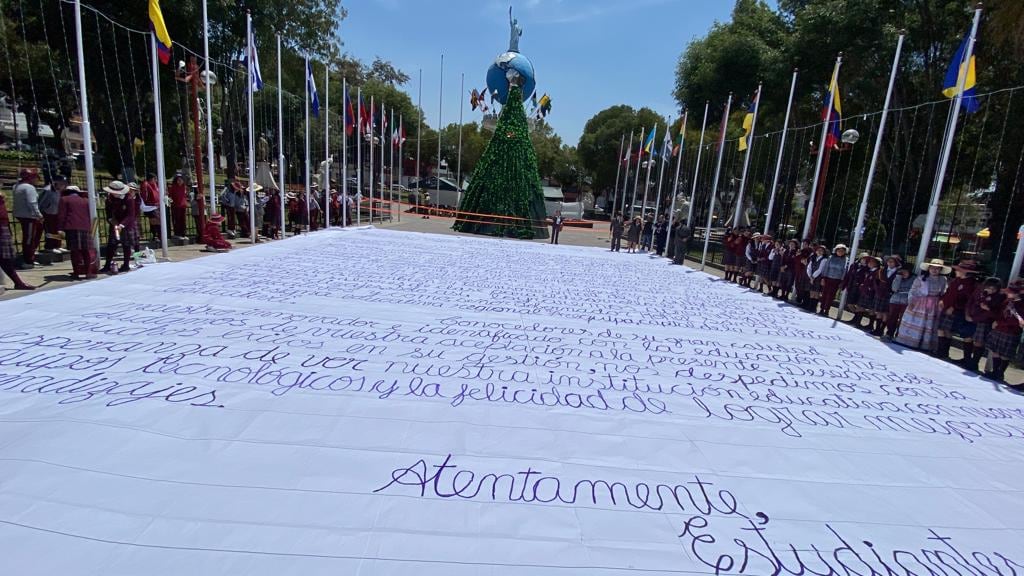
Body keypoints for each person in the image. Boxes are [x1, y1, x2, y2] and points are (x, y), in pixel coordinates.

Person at [895, 259, 950, 351]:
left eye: (937, 269)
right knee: (917, 322)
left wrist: (942, 302)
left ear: (940, 270)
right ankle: (911, 341)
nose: (934, 270)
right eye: (932, 268)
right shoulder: (921, 278)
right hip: (920, 303)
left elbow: (944, 292)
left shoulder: (943, 279)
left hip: (934, 304)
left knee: (930, 324)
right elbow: (913, 290)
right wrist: (911, 301)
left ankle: (926, 345)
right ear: (929, 268)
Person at [934, 260, 981, 361]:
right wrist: (942, 300)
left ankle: (963, 358)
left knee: (949, 331)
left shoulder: (971, 284)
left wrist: (954, 307)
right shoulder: (956, 281)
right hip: (946, 308)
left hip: (957, 311)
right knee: (941, 329)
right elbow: (948, 293)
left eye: (959, 270)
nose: (956, 271)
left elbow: (968, 300)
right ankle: (941, 351)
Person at [962, 277, 1005, 373]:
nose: (990, 290)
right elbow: (970, 302)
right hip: (971, 318)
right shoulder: (978, 291)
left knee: (979, 342)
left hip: (984, 321)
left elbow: (995, 313)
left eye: (993, 289)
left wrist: (987, 307)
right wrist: (967, 314)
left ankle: (974, 363)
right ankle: (966, 359)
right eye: (989, 288)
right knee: (967, 337)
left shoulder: (999, 297)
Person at [985, 280, 1023, 385]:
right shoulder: (1007, 301)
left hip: (1010, 331)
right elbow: (1000, 312)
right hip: (999, 329)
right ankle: (994, 371)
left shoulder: (1021, 305)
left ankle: (1000, 373)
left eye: (1010, 292)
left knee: (1005, 354)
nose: (1008, 293)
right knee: (995, 350)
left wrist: (1002, 322)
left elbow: (1016, 321)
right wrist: (997, 320)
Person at [56, 184, 96, 280]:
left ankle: (76, 272)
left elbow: (62, 215)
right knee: (86, 250)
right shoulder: (86, 201)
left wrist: (60, 228)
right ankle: (88, 272)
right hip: (85, 227)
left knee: (75, 251)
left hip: (71, 227)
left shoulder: (64, 199)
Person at [100, 180, 138, 274]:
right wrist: (111, 221)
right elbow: (108, 213)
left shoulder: (129, 199)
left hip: (127, 225)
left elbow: (131, 215)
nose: (114, 194)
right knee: (111, 244)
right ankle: (107, 265)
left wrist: (122, 225)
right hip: (115, 224)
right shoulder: (109, 199)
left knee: (126, 245)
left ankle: (126, 265)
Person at [0, 188, 34, 290]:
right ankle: (18, 282)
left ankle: (18, 282)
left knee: (5, 259)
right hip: (1, 228)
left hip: (3, 227)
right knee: (4, 259)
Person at [13, 168, 44, 269]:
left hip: (20, 214)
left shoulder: (16, 186)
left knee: (28, 237)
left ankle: (29, 257)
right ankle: (29, 259)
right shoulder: (29, 188)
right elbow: (32, 203)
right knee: (29, 238)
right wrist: (39, 215)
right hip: (29, 216)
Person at [813, 243, 849, 317]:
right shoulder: (831, 257)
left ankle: (827, 310)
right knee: (824, 294)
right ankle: (822, 309)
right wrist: (823, 278)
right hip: (828, 278)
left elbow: (845, 271)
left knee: (831, 296)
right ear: (836, 250)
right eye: (839, 250)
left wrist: (842, 281)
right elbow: (826, 268)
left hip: (837, 280)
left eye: (842, 251)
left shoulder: (846, 260)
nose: (840, 252)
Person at [884, 263, 916, 341]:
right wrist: (898, 277)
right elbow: (894, 288)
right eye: (902, 271)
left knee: (903, 319)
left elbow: (913, 290)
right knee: (892, 317)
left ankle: (899, 334)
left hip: (906, 301)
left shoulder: (914, 279)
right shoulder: (898, 277)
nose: (903, 273)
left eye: (905, 272)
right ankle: (889, 333)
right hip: (895, 300)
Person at [39, 174, 67, 254]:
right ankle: (49, 247)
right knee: (50, 230)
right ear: (55, 182)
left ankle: (57, 245)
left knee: (57, 230)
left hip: (56, 213)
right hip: (48, 213)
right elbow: (41, 202)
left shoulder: (59, 191)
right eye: (61, 183)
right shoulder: (47, 190)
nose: (63, 185)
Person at [140, 172, 162, 241]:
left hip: (156, 206)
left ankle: (158, 235)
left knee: (157, 221)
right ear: (150, 179)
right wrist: (152, 204)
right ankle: (156, 235)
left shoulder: (155, 185)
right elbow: (145, 198)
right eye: (154, 179)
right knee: (155, 221)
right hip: (150, 207)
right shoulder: (146, 185)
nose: (155, 180)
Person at [806, 244, 828, 313]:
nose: (819, 251)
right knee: (811, 291)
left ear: (824, 252)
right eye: (818, 250)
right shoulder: (813, 258)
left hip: (818, 277)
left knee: (816, 292)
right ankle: (810, 305)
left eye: (821, 251)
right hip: (811, 276)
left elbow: (820, 269)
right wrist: (810, 276)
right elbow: (809, 267)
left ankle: (814, 306)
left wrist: (813, 277)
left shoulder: (824, 259)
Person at [168, 174, 189, 239]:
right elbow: (170, 196)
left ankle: (183, 234)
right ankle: (177, 233)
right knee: (177, 220)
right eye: (178, 180)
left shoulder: (184, 187)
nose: (180, 181)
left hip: (183, 206)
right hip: (176, 206)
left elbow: (186, 196)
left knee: (183, 220)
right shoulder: (173, 187)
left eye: (181, 180)